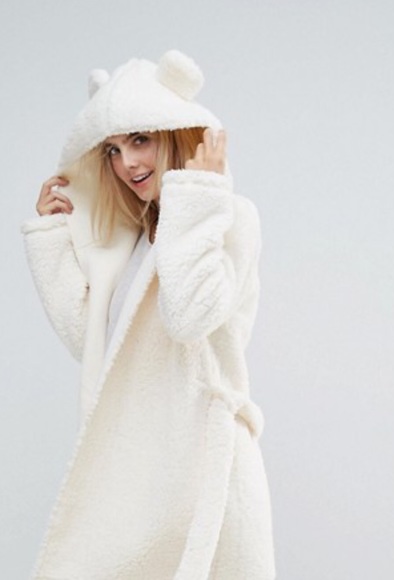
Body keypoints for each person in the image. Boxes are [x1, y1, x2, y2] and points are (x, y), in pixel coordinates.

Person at [22, 50, 276, 580]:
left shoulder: (229, 218)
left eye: (141, 140)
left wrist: (197, 198)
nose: (128, 164)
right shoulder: (134, 241)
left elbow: (188, 316)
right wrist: (51, 240)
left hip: (205, 474)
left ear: (177, 133)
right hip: (140, 481)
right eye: (113, 149)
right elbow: (94, 345)